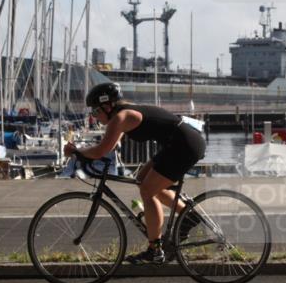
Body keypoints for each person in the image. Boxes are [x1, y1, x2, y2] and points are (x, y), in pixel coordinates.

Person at [65, 83, 206, 265]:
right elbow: (111, 145)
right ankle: (188, 216)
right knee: (142, 180)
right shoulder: (121, 115)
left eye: (95, 111)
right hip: (177, 143)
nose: (94, 116)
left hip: (184, 145)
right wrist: (86, 152)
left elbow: (101, 151)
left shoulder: (121, 117)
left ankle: (155, 250)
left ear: (107, 106)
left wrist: (77, 152)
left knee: (147, 191)